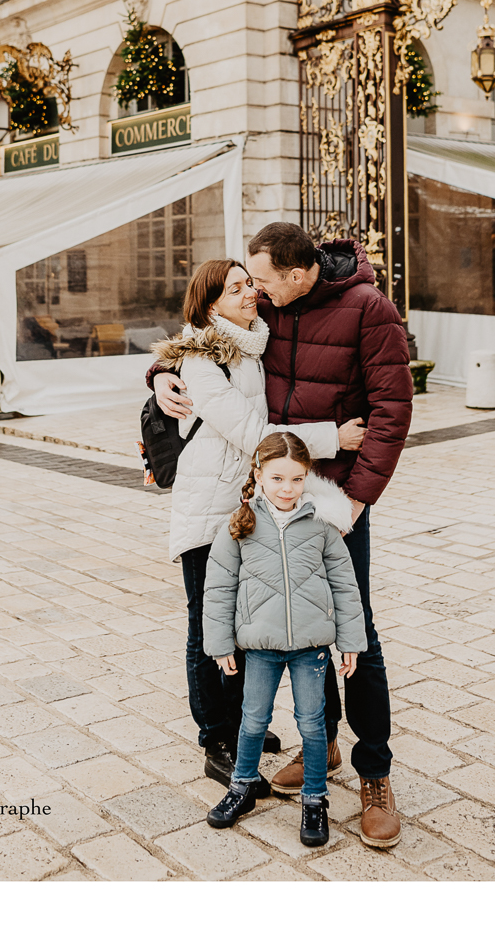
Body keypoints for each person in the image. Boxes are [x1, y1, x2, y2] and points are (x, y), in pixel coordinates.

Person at [151, 223, 412, 848]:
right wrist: (159, 376)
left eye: (262, 280)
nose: (255, 292)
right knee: (294, 624)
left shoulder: (369, 311)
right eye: (252, 282)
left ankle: (375, 771)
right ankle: (323, 750)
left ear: (298, 275)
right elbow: (200, 337)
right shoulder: (270, 304)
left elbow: (392, 410)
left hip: (333, 499)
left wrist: (357, 499)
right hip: (271, 498)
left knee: (355, 628)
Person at [154, 258, 366, 794]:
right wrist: (331, 440)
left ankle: (243, 724)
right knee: (209, 621)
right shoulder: (204, 362)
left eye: (250, 282)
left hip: (244, 513)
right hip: (208, 514)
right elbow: (253, 432)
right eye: (235, 288)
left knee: (244, 621)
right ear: (209, 306)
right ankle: (216, 739)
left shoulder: (254, 344)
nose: (250, 292)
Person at [202, 431, 366, 848]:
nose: (286, 489)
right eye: (276, 479)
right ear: (258, 475)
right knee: (253, 720)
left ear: (307, 478)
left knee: (312, 724)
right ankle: (241, 787)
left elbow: (346, 585)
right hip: (260, 648)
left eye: (296, 479)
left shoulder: (322, 526)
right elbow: (218, 588)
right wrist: (220, 644)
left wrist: (351, 641)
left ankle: (315, 798)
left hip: (311, 647)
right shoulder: (240, 525)